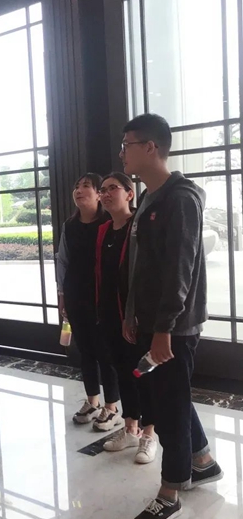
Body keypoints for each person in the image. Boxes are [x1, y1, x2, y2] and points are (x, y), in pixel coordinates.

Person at [120, 113, 222, 519]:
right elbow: (140, 266)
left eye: (127, 145)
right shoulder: (149, 197)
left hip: (174, 327)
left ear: (151, 148)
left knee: (169, 406)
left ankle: (170, 491)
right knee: (170, 396)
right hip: (151, 320)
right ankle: (202, 460)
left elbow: (181, 269)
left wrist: (163, 329)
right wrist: (132, 313)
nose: (122, 153)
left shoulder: (180, 199)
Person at [95, 172, 157, 463]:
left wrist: (133, 316)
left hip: (134, 316)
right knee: (121, 370)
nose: (106, 194)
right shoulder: (104, 229)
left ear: (130, 194)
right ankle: (130, 428)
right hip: (109, 313)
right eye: (103, 190)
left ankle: (149, 434)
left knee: (142, 374)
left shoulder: (138, 226)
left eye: (113, 188)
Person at [56, 174, 121, 430]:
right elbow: (63, 261)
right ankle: (92, 401)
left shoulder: (108, 223)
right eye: (76, 186)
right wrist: (62, 295)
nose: (79, 190)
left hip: (102, 297)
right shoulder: (70, 225)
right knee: (85, 351)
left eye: (86, 186)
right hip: (75, 294)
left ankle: (112, 407)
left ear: (98, 195)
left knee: (105, 351)